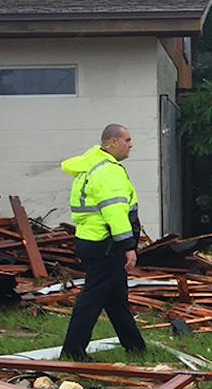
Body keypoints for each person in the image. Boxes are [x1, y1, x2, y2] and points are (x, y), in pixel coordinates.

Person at [59, 123, 147, 361]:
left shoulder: (91, 165)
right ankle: (73, 351)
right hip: (106, 244)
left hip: (92, 240)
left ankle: (136, 348)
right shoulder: (109, 171)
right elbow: (115, 213)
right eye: (127, 140)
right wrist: (129, 246)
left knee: (116, 299)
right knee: (92, 298)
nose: (131, 145)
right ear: (113, 143)